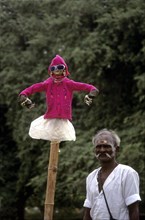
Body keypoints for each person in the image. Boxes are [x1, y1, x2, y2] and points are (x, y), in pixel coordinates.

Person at [18, 55, 99, 142]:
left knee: (58, 140)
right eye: (54, 68)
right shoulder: (48, 83)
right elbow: (34, 87)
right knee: (45, 134)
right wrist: (24, 95)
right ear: (50, 70)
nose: (57, 70)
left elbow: (85, 86)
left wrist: (92, 93)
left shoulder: (68, 83)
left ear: (64, 69)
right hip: (50, 117)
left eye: (60, 67)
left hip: (63, 118)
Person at [83, 129, 141, 220]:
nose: (102, 150)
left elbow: (134, 210)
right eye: (98, 147)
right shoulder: (91, 177)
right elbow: (88, 211)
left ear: (116, 149)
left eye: (106, 146)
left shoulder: (127, 173)